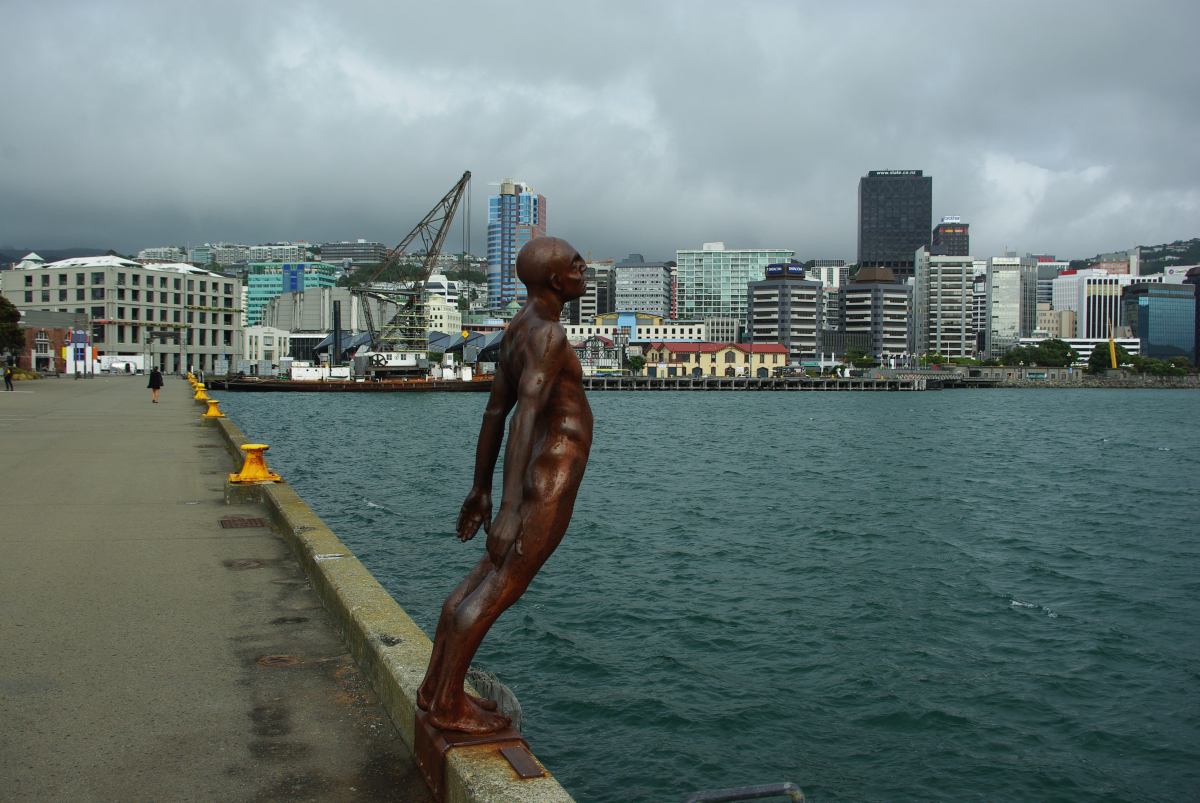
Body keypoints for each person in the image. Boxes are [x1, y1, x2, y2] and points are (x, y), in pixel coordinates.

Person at [417, 237, 593, 733]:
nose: (585, 273)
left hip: (535, 472)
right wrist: (511, 508)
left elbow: (496, 411)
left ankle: (436, 688)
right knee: (501, 587)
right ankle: (450, 706)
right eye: (578, 267)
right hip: (550, 476)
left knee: (480, 582)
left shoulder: (517, 330)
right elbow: (523, 417)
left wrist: (481, 490)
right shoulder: (549, 336)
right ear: (558, 280)